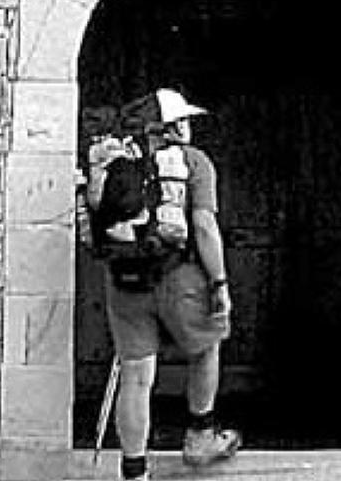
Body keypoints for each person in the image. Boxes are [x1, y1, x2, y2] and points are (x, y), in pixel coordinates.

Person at [100, 88, 241, 479]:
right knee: (208, 346)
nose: (190, 126)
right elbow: (203, 226)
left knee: (137, 376)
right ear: (173, 126)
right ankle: (200, 436)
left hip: (125, 281)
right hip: (181, 277)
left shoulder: (114, 163)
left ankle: (134, 471)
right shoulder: (194, 162)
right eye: (185, 120)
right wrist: (220, 283)